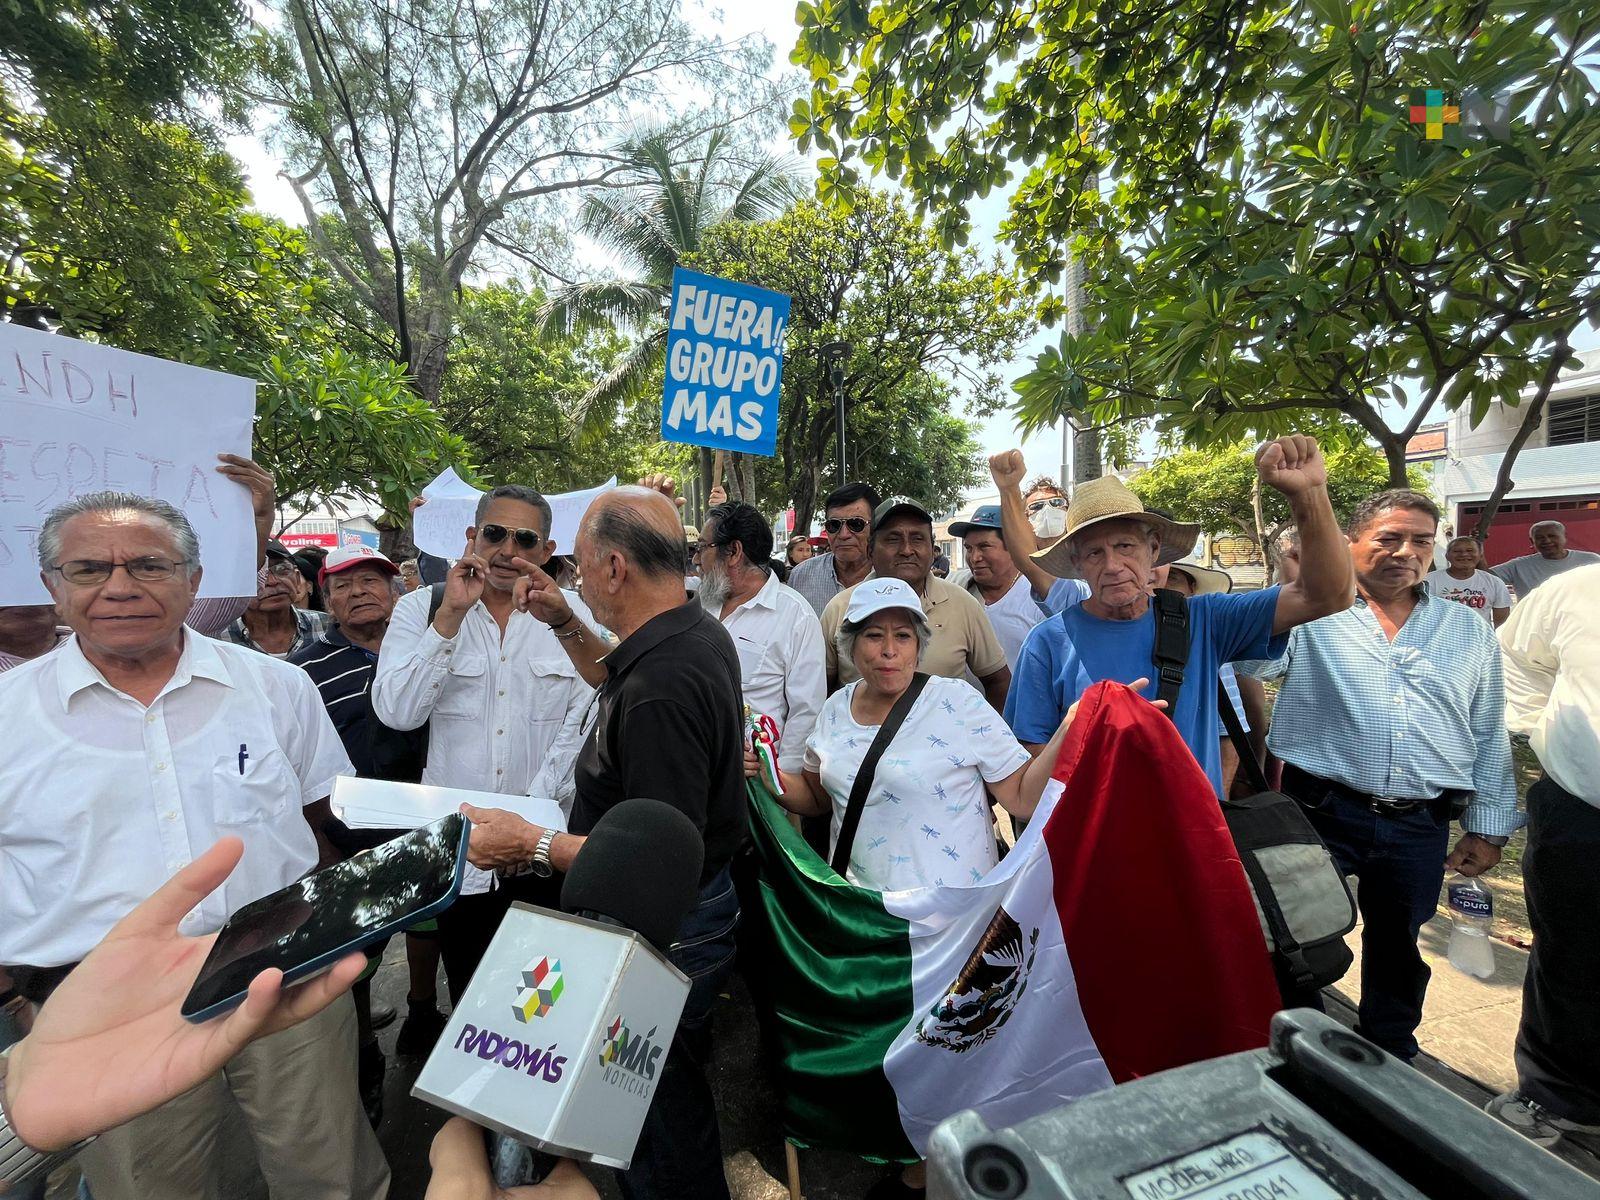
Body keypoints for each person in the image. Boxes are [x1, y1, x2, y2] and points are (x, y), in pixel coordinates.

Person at [0, 492, 387, 1200]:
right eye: (89, 569)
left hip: (282, 976)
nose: (120, 587)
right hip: (105, 1010)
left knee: (331, 1174)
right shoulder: (9, 714)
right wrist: (18, 995)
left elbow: (323, 821)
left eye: (149, 565)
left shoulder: (278, 688)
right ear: (53, 585)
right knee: (151, 1188)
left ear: (195, 580)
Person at [459, 479, 746, 1200]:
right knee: (664, 1097)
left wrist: (530, 844)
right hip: (693, 916)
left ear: (615, 568)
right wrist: (564, 621)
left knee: (650, 1115)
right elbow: (612, 674)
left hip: (667, 933)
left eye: (580, 565)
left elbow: (653, 868)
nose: (575, 580)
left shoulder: (663, 688)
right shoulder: (686, 632)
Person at [1247, 488, 1516, 1061]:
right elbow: (1251, 660)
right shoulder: (1312, 615)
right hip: (1318, 809)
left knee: (1399, 943)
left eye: (1421, 540)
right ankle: (1296, 1043)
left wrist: (1488, 826)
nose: (1406, 552)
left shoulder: (1466, 630)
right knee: (1294, 933)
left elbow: (1488, 727)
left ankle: (1389, 1053)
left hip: (1419, 820)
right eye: (1388, 538)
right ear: (1349, 543)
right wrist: (1289, 591)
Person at [0, 838, 369, 1195]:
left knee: (332, 1164)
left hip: (288, 939)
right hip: (90, 999)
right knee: (147, 1185)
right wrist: (13, 1098)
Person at [1007, 436, 1353, 797]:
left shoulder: (1205, 619)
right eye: (1094, 553)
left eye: (1125, 546)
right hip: (1093, 828)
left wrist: (1309, 495)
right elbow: (1031, 755)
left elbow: (1326, 595)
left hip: (1193, 826)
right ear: (1077, 563)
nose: (1112, 565)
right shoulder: (1048, 641)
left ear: (1153, 549)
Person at [373, 484, 605, 1002]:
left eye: (525, 540)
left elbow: (585, 721)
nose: (507, 550)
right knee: (472, 995)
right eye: (495, 534)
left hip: (543, 849)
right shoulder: (420, 609)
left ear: (547, 551)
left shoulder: (572, 617)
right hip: (464, 853)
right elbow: (397, 713)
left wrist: (526, 821)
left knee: (545, 1001)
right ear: (472, 536)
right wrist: (449, 619)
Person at [756, 578, 1095, 889]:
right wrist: (766, 770)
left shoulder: (958, 702)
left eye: (903, 636)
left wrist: (1071, 726)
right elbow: (817, 798)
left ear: (919, 647)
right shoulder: (834, 710)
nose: (889, 650)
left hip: (952, 918)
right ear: (851, 646)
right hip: (866, 915)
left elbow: (1022, 797)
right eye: (874, 635)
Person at [288, 543, 429, 1120]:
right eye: (343, 586)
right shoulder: (303, 670)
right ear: (326, 601)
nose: (358, 592)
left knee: (431, 925)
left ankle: (424, 1011)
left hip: (429, 821)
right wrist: (322, 846)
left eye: (371, 580)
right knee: (355, 954)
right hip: (350, 836)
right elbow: (299, 765)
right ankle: (365, 1051)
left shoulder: (423, 648)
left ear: (397, 592)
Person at [1485, 562, 1600, 1147]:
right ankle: (1557, 1095)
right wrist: (1540, 729)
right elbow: (1513, 657)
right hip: (1581, 808)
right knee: (1571, 955)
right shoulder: (1580, 589)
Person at [821, 497, 1012, 712]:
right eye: (893, 539)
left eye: (917, 539)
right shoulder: (840, 609)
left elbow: (999, 682)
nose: (906, 550)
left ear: (932, 549)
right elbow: (820, 690)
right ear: (870, 551)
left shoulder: (963, 604)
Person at [696, 500, 826, 774]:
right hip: (694, 767)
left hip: (754, 783)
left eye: (702, 548)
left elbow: (805, 714)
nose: (696, 559)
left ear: (734, 551)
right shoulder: (700, 606)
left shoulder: (795, 616)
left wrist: (780, 784)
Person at [949, 504, 1087, 670]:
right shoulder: (955, 585)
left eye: (984, 546)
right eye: (969, 548)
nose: (974, 557)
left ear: (1013, 547)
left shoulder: (1041, 596)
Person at [987, 452, 1094, 616]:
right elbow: (1028, 563)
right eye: (1037, 506)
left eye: (1056, 502)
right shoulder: (1019, 580)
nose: (1048, 509)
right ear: (1023, 521)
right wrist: (1009, 489)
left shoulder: (1089, 572)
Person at [222, 539, 333, 657]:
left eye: (281, 569)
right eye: (256, 574)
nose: (272, 581)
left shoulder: (328, 627)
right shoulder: (220, 639)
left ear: (297, 578)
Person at [788, 481, 881, 616]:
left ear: (875, 527)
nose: (844, 534)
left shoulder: (891, 576)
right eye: (834, 525)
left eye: (856, 524)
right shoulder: (801, 576)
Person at [1491, 520, 1600, 599]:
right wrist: (1481, 552)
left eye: (1552, 536)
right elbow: (1485, 577)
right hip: (1535, 623)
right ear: (1532, 541)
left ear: (1564, 537)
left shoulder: (1591, 561)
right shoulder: (1518, 566)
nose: (1547, 541)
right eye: (1540, 538)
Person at [1425, 536, 1512, 626]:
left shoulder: (1494, 582)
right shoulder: (1429, 581)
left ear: (1480, 555)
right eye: (1457, 551)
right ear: (1447, 556)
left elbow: (1502, 623)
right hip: (1441, 634)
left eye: (1470, 550)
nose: (1464, 554)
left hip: (1479, 634)